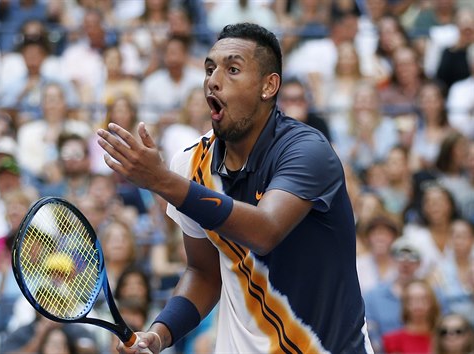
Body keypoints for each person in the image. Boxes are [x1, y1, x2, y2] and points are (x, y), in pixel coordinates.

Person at [97, 23, 372, 353]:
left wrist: (162, 182)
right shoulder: (191, 165)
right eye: (210, 69)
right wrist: (160, 333)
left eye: (233, 69)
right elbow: (203, 272)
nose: (213, 80)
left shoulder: (307, 151)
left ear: (268, 86)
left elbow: (264, 231)